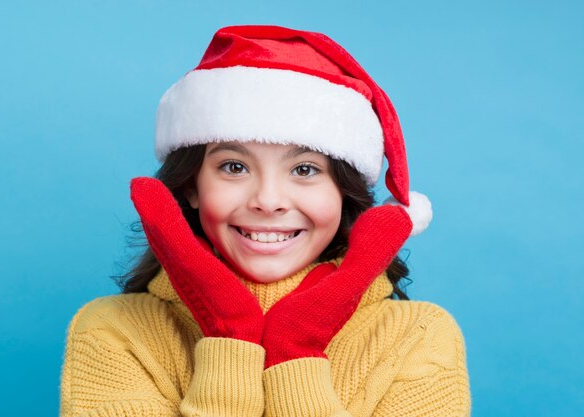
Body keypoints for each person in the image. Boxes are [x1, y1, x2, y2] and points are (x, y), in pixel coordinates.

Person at [60, 25, 471, 416]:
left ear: (343, 192)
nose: (269, 201)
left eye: (306, 169)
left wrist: (296, 351)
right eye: (235, 167)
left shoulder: (420, 336)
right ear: (191, 186)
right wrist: (229, 335)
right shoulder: (112, 329)